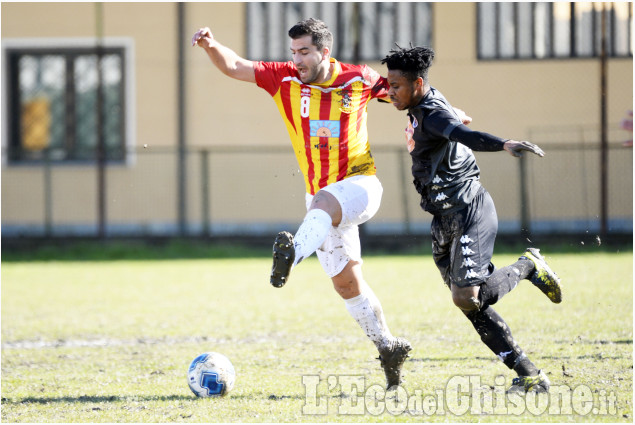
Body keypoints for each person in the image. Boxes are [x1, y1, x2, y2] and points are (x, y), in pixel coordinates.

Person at [191, 19, 411, 389]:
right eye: (293, 52)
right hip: (320, 203)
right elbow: (235, 66)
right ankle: (388, 346)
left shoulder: (359, 79)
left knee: (323, 202)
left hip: (360, 185)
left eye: (305, 52)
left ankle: (292, 255)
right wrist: (211, 45)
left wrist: (450, 117)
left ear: (325, 51)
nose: (297, 60)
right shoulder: (284, 79)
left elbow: (408, 95)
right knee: (345, 283)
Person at [381, 45, 562, 393]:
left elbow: (465, 135)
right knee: (469, 302)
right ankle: (529, 374)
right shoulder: (419, 101)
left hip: (469, 210)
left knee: (466, 296)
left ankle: (528, 266)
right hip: (443, 217)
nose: (389, 92)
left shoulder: (433, 114)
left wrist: (504, 143)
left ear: (417, 84)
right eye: (388, 85)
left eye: (396, 86)